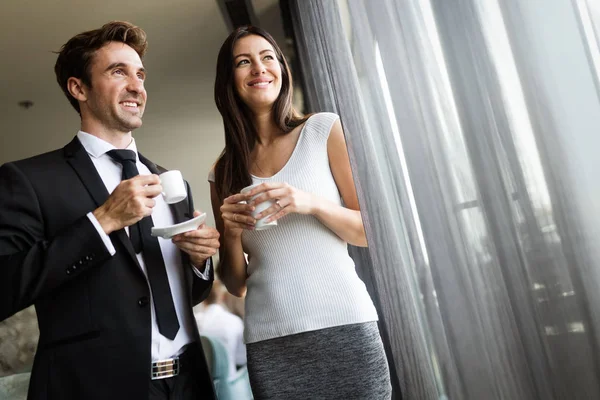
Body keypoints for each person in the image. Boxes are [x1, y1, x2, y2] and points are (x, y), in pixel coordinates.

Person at [0, 21, 219, 400]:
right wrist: (102, 221)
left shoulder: (172, 182)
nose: (137, 86)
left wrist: (199, 262)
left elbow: (180, 293)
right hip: (91, 388)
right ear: (78, 88)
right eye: (119, 72)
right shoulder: (28, 180)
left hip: (188, 384)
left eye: (140, 74)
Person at [209, 26, 392, 399]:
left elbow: (367, 232)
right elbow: (235, 284)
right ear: (230, 81)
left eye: (267, 57)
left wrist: (308, 202)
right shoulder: (223, 171)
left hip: (346, 324)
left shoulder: (323, 129)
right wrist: (229, 235)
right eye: (244, 62)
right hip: (270, 341)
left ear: (281, 68)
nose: (259, 68)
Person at [194, 279, 247, 377]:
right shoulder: (234, 321)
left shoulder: (195, 323)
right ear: (222, 297)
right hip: (229, 382)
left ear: (203, 299)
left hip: (200, 380)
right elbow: (242, 358)